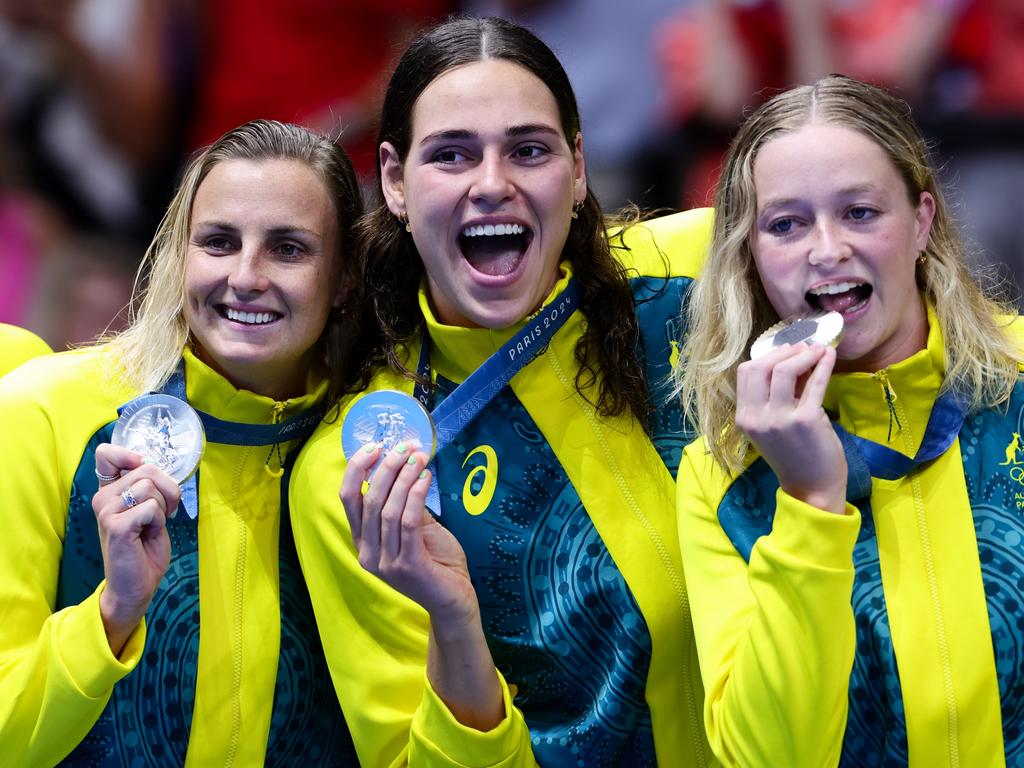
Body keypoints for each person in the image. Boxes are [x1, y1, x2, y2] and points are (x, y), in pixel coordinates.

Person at [289, 15, 716, 768]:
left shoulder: (697, 277)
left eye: (528, 150)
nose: (493, 184)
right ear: (394, 180)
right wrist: (454, 622)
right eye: (452, 155)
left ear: (578, 169)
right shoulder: (363, 471)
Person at [676, 74, 1024, 767]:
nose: (827, 249)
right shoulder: (720, 476)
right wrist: (808, 502)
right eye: (786, 224)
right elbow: (772, 754)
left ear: (922, 221)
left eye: (860, 212)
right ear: (750, 253)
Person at [0, 119, 363, 766]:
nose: (247, 276)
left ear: (344, 280)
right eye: (219, 242)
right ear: (180, 255)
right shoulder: (47, 414)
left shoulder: (360, 458)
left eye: (288, 249)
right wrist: (112, 614)